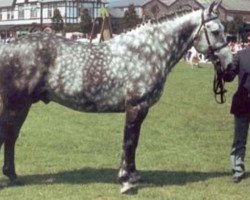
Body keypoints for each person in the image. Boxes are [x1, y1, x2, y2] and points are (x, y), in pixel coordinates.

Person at [223, 32, 250, 183]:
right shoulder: (240, 55)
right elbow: (229, 76)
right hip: (242, 103)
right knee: (240, 138)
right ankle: (238, 169)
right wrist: (222, 69)